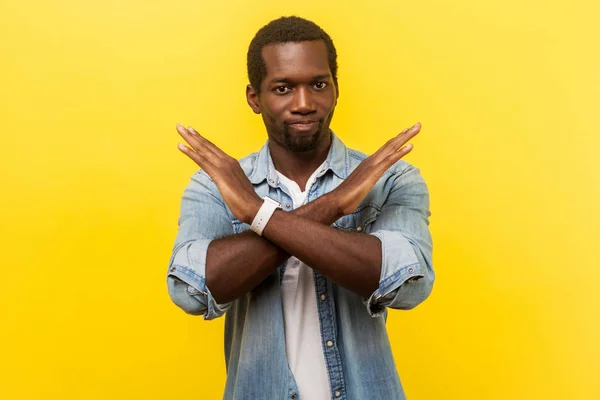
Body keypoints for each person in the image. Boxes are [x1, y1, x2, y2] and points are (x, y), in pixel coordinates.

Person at [167, 16, 434, 400]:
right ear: (254, 98)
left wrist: (256, 215)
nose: (305, 103)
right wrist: (336, 204)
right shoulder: (216, 185)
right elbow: (192, 293)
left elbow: (408, 284)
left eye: (319, 85)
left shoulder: (388, 179)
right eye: (283, 88)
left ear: (336, 90)